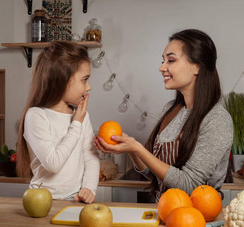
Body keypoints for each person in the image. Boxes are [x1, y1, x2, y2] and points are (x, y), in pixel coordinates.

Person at [95, 29, 233, 202]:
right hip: (165, 213)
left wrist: (138, 148)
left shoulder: (217, 119)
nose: (162, 67)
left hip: (197, 218)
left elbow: (191, 186)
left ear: (197, 66)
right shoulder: (171, 110)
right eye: (163, 61)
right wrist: (131, 149)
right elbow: (153, 174)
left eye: (171, 60)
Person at [16, 41, 100, 203]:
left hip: (75, 200)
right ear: (62, 80)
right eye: (84, 80)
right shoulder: (36, 116)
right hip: (41, 201)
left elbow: (90, 156)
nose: (88, 87)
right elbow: (53, 163)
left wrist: (89, 187)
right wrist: (76, 124)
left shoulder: (81, 115)